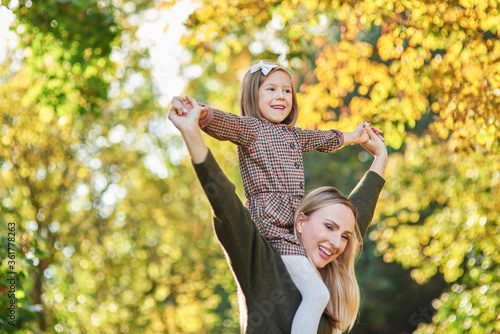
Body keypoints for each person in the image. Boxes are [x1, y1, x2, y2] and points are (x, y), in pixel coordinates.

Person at [175, 60, 383, 333]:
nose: (281, 96)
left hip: (290, 225)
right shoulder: (252, 129)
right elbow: (227, 124)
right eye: (271, 89)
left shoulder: (293, 136)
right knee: (318, 295)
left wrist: (357, 138)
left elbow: (321, 140)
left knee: (317, 293)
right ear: (253, 96)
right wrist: (200, 115)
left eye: (287, 91)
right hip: (271, 225)